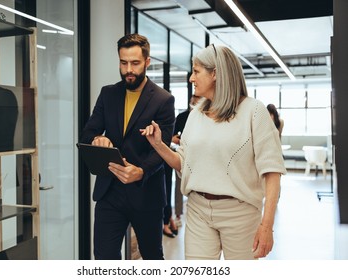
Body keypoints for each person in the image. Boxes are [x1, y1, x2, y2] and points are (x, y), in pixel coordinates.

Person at [141, 44, 286, 260]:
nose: (191, 78)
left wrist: (267, 225)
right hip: (198, 210)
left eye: (196, 71)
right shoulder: (197, 113)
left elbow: (272, 171)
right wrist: (159, 144)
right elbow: (184, 162)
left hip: (240, 214)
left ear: (215, 73)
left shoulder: (253, 111)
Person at [80, 33, 175, 260]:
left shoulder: (163, 100)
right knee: (104, 258)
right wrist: (96, 140)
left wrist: (141, 171)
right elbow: (88, 133)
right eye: (124, 63)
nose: (128, 69)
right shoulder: (108, 93)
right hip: (109, 192)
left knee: (152, 257)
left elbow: (163, 150)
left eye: (135, 63)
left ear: (147, 62)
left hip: (146, 193)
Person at [171, 94, 201, 227]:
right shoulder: (183, 117)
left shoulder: (206, 116)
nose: (195, 101)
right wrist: (176, 139)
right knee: (179, 185)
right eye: (194, 99)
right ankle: (178, 214)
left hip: (201, 157)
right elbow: (172, 135)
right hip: (184, 155)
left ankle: (198, 214)